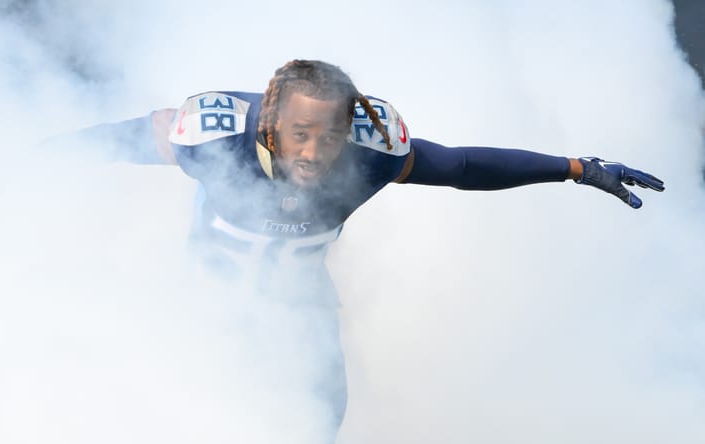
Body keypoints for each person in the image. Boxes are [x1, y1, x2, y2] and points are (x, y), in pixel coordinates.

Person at [52, 59, 665, 441]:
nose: (317, 153)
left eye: (332, 136)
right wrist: (23, 154)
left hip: (301, 316)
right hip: (204, 317)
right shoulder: (212, 137)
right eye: (300, 135)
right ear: (268, 127)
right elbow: (112, 141)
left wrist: (577, 168)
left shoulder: (373, 153)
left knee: (317, 422)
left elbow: (462, 165)